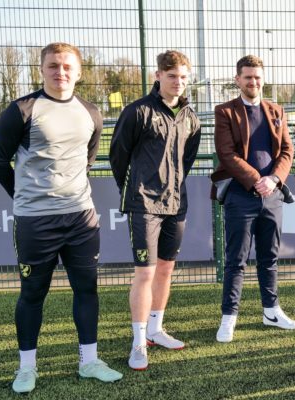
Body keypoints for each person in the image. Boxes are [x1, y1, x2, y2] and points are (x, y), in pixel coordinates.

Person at [0, 42, 122, 393]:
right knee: (33, 292)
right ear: (41, 69)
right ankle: (26, 367)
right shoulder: (20, 110)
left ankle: (89, 361)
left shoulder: (91, 112)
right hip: (36, 221)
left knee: (87, 288)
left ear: (78, 72)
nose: (60, 72)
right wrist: (24, 196)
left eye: (67, 66)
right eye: (53, 66)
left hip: (81, 218)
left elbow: (88, 159)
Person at [109, 50, 202, 370]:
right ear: (158, 76)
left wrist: (171, 185)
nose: (179, 82)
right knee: (145, 273)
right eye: (173, 76)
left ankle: (155, 329)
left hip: (176, 203)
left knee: (165, 269)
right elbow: (118, 156)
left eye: (184, 77)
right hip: (143, 203)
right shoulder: (137, 112)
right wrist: (137, 188)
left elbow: (186, 161)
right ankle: (138, 342)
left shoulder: (191, 117)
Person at [211, 55, 295, 343]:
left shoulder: (276, 110)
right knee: (236, 261)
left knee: (269, 258)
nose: (253, 82)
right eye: (248, 77)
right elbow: (227, 153)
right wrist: (255, 180)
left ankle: (271, 311)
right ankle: (229, 317)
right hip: (240, 195)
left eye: (257, 77)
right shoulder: (225, 112)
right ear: (238, 80)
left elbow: (287, 151)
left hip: (271, 195)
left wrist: (273, 179)